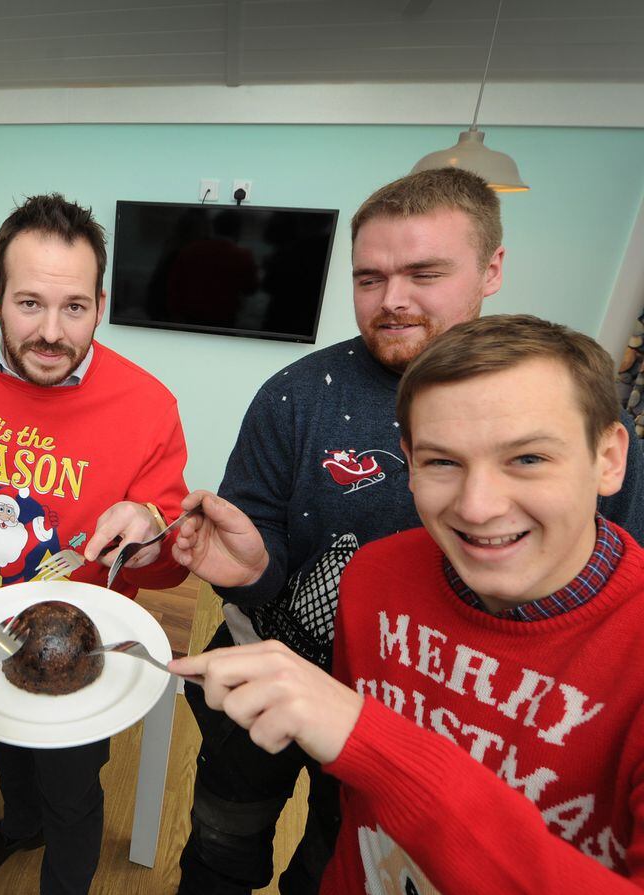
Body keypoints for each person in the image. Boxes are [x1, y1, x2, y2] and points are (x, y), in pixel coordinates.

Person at [174, 167, 644, 895]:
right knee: (227, 844)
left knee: (336, 847)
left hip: (436, 729)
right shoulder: (298, 396)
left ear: (492, 268)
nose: (479, 504)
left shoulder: (562, 404)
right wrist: (250, 568)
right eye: (370, 278)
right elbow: (259, 560)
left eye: (425, 272)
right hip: (270, 675)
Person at [0, 193, 190, 894]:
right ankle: (17, 823)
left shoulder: (149, 405)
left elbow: (160, 570)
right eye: (29, 303)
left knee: (72, 789)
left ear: (99, 303)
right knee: (2, 739)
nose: (51, 332)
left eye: (74, 307)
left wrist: (150, 533)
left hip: (78, 650)